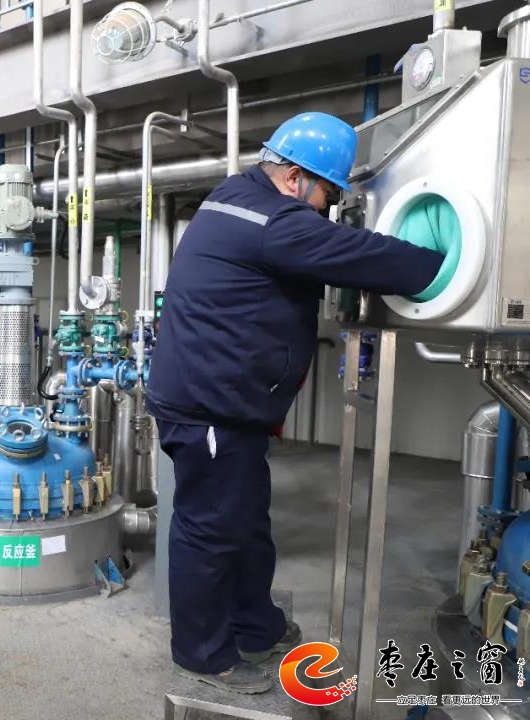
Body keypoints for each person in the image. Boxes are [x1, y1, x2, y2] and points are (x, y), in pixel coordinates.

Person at [145, 112, 446, 694]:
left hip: (225, 406)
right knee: (210, 531)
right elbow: (370, 256)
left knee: (245, 522)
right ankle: (202, 656)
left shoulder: (235, 196)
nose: (326, 208)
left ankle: (256, 626)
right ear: (294, 178)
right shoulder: (274, 222)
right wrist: (450, 264)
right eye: (327, 195)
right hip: (211, 408)